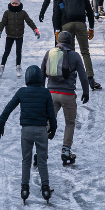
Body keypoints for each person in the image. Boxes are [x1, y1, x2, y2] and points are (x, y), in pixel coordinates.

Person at [0, 65, 57, 204]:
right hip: (41, 131)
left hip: (26, 131)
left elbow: (8, 108)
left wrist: (1, 124)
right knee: (42, 161)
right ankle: (45, 188)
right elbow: (51, 113)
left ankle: (24, 188)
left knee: (26, 160)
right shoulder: (45, 92)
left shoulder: (22, 92)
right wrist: (53, 127)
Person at [41, 29, 89, 165]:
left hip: (50, 94)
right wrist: (86, 92)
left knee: (48, 122)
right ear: (71, 42)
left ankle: (40, 152)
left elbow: (42, 74)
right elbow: (83, 77)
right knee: (70, 122)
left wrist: (41, 92)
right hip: (68, 94)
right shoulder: (74, 55)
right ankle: (66, 151)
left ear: (58, 41)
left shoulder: (49, 53)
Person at [58, 0, 100, 90]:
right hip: (81, 24)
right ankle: (90, 79)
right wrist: (91, 28)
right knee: (85, 52)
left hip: (66, 25)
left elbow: (57, 13)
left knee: (69, 53)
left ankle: (70, 79)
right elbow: (90, 12)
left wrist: (57, 30)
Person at [0, 0, 40, 77]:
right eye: (13, 3)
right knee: (7, 52)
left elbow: (29, 21)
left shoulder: (23, 12)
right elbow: (2, 23)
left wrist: (35, 30)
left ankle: (18, 67)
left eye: (16, 3)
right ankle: (2, 67)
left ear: (19, 3)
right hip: (10, 35)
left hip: (19, 36)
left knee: (18, 52)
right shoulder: (7, 13)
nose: (15, 5)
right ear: (10, 2)